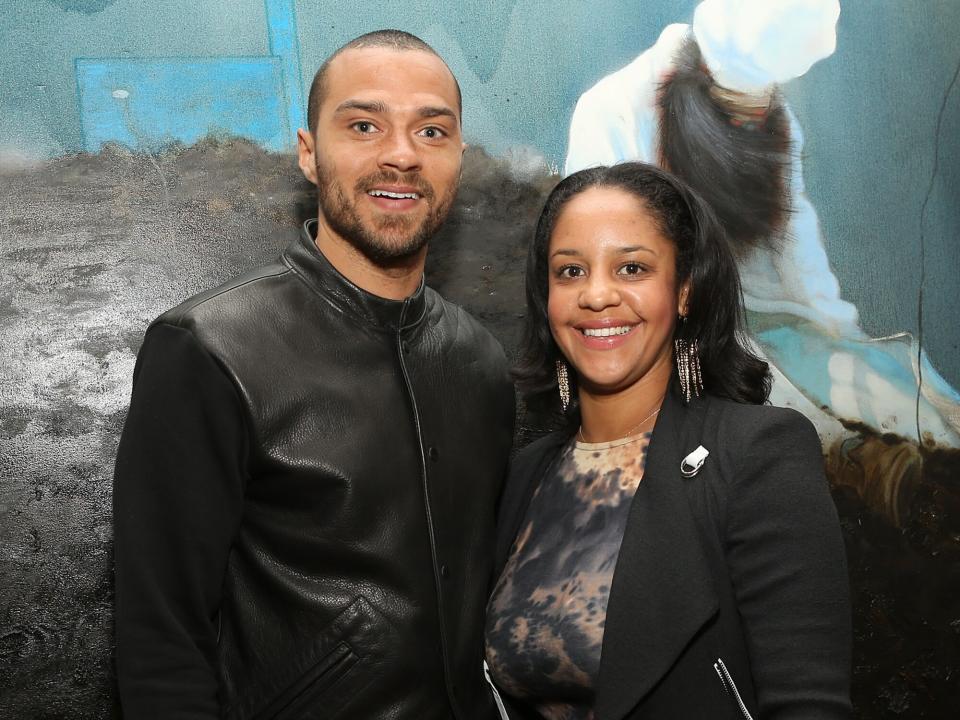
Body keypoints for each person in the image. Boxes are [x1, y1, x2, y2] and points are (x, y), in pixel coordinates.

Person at [113, 30, 514, 719]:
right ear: (308, 152)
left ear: (457, 160)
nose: (400, 154)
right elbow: (160, 644)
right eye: (363, 125)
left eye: (432, 130)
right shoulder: (209, 348)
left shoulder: (480, 361)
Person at [484, 163, 851, 719]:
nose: (597, 295)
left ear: (683, 291)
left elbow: (809, 705)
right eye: (570, 271)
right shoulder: (526, 474)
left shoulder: (756, 454)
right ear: (547, 297)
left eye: (631, 267)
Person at [563, 0, 960, 448]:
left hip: (755, 312)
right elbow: (605, 260)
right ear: (703, 83)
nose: (751, 120)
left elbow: (796, 242)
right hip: (661, 322)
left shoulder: (774, 118)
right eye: (737, 115)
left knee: (890, 388)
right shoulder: (613, 112)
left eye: (760, 110)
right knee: (791, 418)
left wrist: (840, 332)